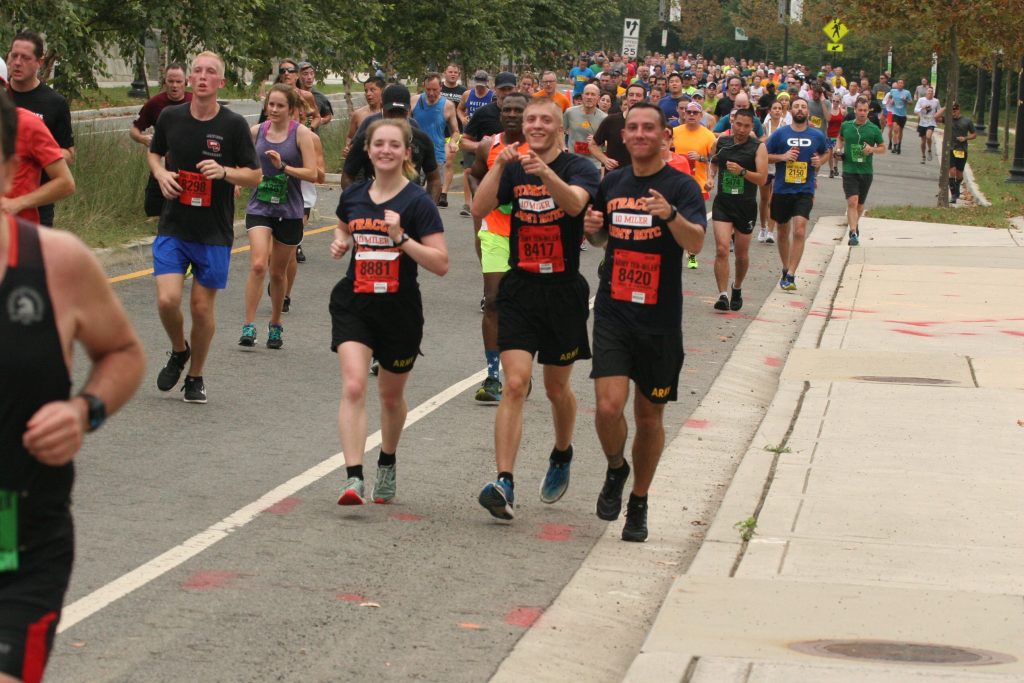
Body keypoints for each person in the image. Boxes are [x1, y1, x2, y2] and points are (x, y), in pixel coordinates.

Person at [0, 89, 145, 683]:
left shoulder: (55, 264)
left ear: (9, 168)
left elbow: (123, 353)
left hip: (17, 535)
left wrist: (84, 411)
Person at [583, 102, 707, 542]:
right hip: (614, 309)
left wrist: (670, 216)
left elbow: (695, 244)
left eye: (647, 128)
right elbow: (598, 236)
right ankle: (617, 467)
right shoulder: (613, 181)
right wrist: (592, 226)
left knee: (649, 417)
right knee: (607, 407)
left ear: (662, 136)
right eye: (632, 127)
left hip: (659, 318)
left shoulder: (681, 185)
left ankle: (639, 499)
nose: (638, 134)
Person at [472, 97, 600, 521]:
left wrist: (544, 172)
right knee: (515, 383)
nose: (537, 125)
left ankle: (562, 452)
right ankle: (504, 481)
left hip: (562, 291)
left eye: (545, 119)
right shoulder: (512, 166)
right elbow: (479, 208)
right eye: (530, 120)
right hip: (520, 287)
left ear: (559, 128)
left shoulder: (579, 167)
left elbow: (575, 205)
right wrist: (497, 166)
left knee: (555, 389)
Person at [331, 118, 448, 505]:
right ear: (367, 149)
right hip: (355, 302)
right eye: (378, 143)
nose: (385, 150)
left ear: (406, 153)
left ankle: (387, 460)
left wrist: (401, 238)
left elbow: (440, 263)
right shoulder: (354, 196)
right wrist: (340, 241)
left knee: (391, 397)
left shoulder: (418, 203)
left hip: (399, 310)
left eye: (393, 145)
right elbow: (343, 225)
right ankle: (353, 478)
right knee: (353, 385)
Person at [148, 52, 261, 403]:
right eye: (197, 70)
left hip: (213, 230)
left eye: (210, 72)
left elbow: (255, 175)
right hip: (174, 225)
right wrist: (161, 173)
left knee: (200, 308)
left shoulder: (233, 125)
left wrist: (225, 172)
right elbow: (155, 152)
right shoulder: (170, 117)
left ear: (220, 82)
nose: (201, 77)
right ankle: (179, 349)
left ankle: (195, 376)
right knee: (167, 300)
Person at [238, 84, 318, 349]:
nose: (273, 109)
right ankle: (248, 325)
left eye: (280, 105)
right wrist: (236, 179)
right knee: (259, 264)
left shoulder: (301, 134)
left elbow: (313, 173)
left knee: (278, 272)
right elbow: (239, 159)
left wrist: (283, 167)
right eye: (270, 104)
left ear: (291, 109)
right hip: (260, 206)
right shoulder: (256, 131)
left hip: (289, 209)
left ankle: (274, 324)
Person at [466, 92, 530, 402]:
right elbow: (474, 175)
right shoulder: (488, 145)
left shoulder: (542, 148)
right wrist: (491, 197)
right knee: (493, 301)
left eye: (520, 110)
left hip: (531, 236)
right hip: (495, 232)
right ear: (500, 112)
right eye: (508, 109)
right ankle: (493, 377)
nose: (513, 114)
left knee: (524, 306)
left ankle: (521, 370)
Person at [5, 31, 74, 227]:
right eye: (14, 55)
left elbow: (69, 153)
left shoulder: (54, 102)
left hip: (36, 203)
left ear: (39, 62)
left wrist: (38, 152)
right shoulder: (3, 94)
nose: (17, 63)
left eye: (25, 58)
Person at [764, 97, 830, 291]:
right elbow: (764, 155)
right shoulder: (780, 134)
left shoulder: (816, 135)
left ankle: (792, 274)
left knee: (800, 229)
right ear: (790, 111)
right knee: (783, 231)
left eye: (803, 107)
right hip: (782, 189)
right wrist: (783, 157)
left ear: (808, 112)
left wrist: (821, 161)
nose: (800, 109)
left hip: (805, 189)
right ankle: (786, 267)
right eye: (796, 107)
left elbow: (827, 152)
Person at [706, 108, 768, 311]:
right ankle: (722, 294)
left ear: (752, 127)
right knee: (722, 249)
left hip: (745, 205)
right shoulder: (722, 143)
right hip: (723, 203)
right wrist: (710, 178)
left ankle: (737, 287)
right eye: (738, 124)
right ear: (732, 123)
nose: (741, 129)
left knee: (741, 255)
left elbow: (762, 178)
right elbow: (713, 163)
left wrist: (742, 172)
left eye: (746, 126)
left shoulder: (758, 148)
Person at [343, 84, 441, 202]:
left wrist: (429, 208)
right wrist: (358, 205)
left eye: (401, 113)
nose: (396, 119)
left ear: (409, 110)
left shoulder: (421, 139)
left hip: (410, 204)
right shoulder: (367, 137)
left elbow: (434, 179)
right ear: (382, 108)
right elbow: (348, 175)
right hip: (376, 204)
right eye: (391, 113)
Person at [128, 63, 192, 217]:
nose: (174, 86)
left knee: (187, 212)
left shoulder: (195, 101)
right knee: (153, 210)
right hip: (162, 165)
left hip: (189, 168)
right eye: (170, 81)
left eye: (178, 82)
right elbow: (134, 130)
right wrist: (143, 139)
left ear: (186, 82)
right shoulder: (155, 104)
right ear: (165, 82)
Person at [672, 100, 717, 269]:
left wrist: (701, 159)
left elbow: (714, 160)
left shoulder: (708, 136)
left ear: (700, 116)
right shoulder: (674, 132)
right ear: (683, 114)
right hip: (674, 184)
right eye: (688, 112)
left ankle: (691, 254)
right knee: (673, 219)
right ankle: (673, 251)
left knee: (692, 221)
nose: (691, 115)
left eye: (695, 113)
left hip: (697, 184)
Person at [836, 98, 884, 246]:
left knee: (860, 205)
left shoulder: (873, 129)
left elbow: (883, 148)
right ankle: (853, 232)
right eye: (860, 110)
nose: (862, 113)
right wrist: (838, 149)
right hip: (849, 169)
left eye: (865, 110)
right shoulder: (846, 125)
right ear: (855, 110)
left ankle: (855, 225)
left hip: (866, 170)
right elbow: (840, 138)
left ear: (868, 111)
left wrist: (872, 149)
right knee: (852, 201)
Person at [412, 72, 460, 208]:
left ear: (441, 88)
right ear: (424, 87)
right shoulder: (414, 101)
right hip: (415, 154)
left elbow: (456, 131)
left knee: (432, 199)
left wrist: (452, 142)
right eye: (428, 89)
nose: (431, 93)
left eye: (435, 90)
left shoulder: (448, 105)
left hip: (437, 155)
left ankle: (428, 222)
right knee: (413, 193)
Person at [591, 83, 646, 173]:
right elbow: (593, 145)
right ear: (626, 97)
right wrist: (605, 160)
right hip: (614, 177)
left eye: (638, 95)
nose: (634, 98)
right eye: (631, 95)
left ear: (644, 99)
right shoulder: (611, 120)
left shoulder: (650, 124)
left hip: (641, 177)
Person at [438, 64, 468, 208]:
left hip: (455, 132)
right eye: (450, 72)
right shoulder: (438, 89)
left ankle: (443, 194)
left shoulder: (463, 91)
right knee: (437, 163)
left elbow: (464, 110)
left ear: (459, 74)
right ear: (445, 73)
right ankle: (436, 188)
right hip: (437, 131)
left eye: (456, 72)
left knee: (448, 161)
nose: (453, 74)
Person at [936, 101, 976, 204]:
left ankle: (957, 189)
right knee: (952, 171)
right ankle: (953, 194)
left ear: (958, 110)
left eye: (955, 110)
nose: (953, 112)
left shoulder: (967, 121)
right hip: (950, 149)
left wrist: (965, 138)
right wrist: (945, 107)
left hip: (961, 150)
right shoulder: (948, 120)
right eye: (951, 110)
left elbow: (974, 135)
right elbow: (935, 117)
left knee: (959, 174)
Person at [564, 83, 606, 168]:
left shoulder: (604, 118)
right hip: (573, 161)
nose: (589, 97)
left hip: (594, 164)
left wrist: (597, 140)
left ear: (598, 98)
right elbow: (559, 131)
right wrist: (563, 146)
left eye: (593, 94)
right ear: (582, 96)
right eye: (587, 94)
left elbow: (607, 144)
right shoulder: (570, 112)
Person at [345, 76, 384, 155]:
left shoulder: (390, 113)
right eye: (366, 91)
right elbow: (350, 137)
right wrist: (348, 148)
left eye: (372, 90)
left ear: (382, 91)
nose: (368, 94)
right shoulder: (358, 114)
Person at [298, 61, 334, 128]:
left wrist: (320, 120)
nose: (309, 77)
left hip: (312, 136)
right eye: (305, 74)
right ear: (297, 76)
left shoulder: (320, 96)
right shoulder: (291, 94)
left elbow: (328, 115)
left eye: (312, 73)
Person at [885, 78, 912, 154]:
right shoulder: (893, 91)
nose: (900, 84)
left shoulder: (907, 92)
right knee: (895, 129)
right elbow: (890, 97)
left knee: (900, 131)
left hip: (903, 115)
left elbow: (910, 103)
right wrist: (891, 101)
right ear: (897, 84)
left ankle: (899, 145)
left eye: (901, 83)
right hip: (895, 113)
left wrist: (905, 100)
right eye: (899, 83)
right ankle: (895, 145)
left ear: (903, 84)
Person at [914, 87, 940, 163]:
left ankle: (929, 149)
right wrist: (922, 108)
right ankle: (923, 156)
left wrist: (937, 116)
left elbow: (939, 110)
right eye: (929, 91)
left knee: (928, 137)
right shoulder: (921, 100)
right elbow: (915, 110)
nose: (930, 93)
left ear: (933, 93)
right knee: (923, 141)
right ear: (926, 92)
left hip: (931, 122)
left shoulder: (936, 101)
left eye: (931, 92)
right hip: (922, 123)